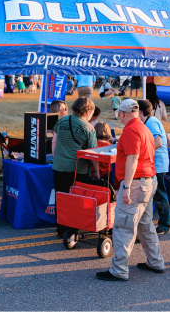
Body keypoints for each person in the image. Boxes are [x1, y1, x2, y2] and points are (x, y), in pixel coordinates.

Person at [96, 99, 164, 281]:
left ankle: (119, 270)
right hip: (148, 181)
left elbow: (132, 159)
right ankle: (155, 261)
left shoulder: (131, 130)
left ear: (123, 113)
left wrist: (125, 186)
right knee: (145, 225)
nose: (119, 117)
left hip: (136, 183)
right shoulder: (144, 127)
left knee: (124, 227)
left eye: (119, 114)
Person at [52, 98, 99, 238]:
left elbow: (54, 141)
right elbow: (92, 153)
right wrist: (96, 171)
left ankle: (60, 229)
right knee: (75, 200)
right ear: (88, 111)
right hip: (77, 169)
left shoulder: (61, 120)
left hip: (59, 166)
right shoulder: (89, 128)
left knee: (60, 197)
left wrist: (57, 158)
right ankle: (72, 230)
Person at [138, 100, 170, 234]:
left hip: (158, 164)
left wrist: (142, 152)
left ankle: (164, 225)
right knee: (155, 195)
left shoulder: (151, 122)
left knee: (160, 195)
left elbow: (157, 142)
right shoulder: (148, 122)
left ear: (139, 111)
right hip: (154, 163)